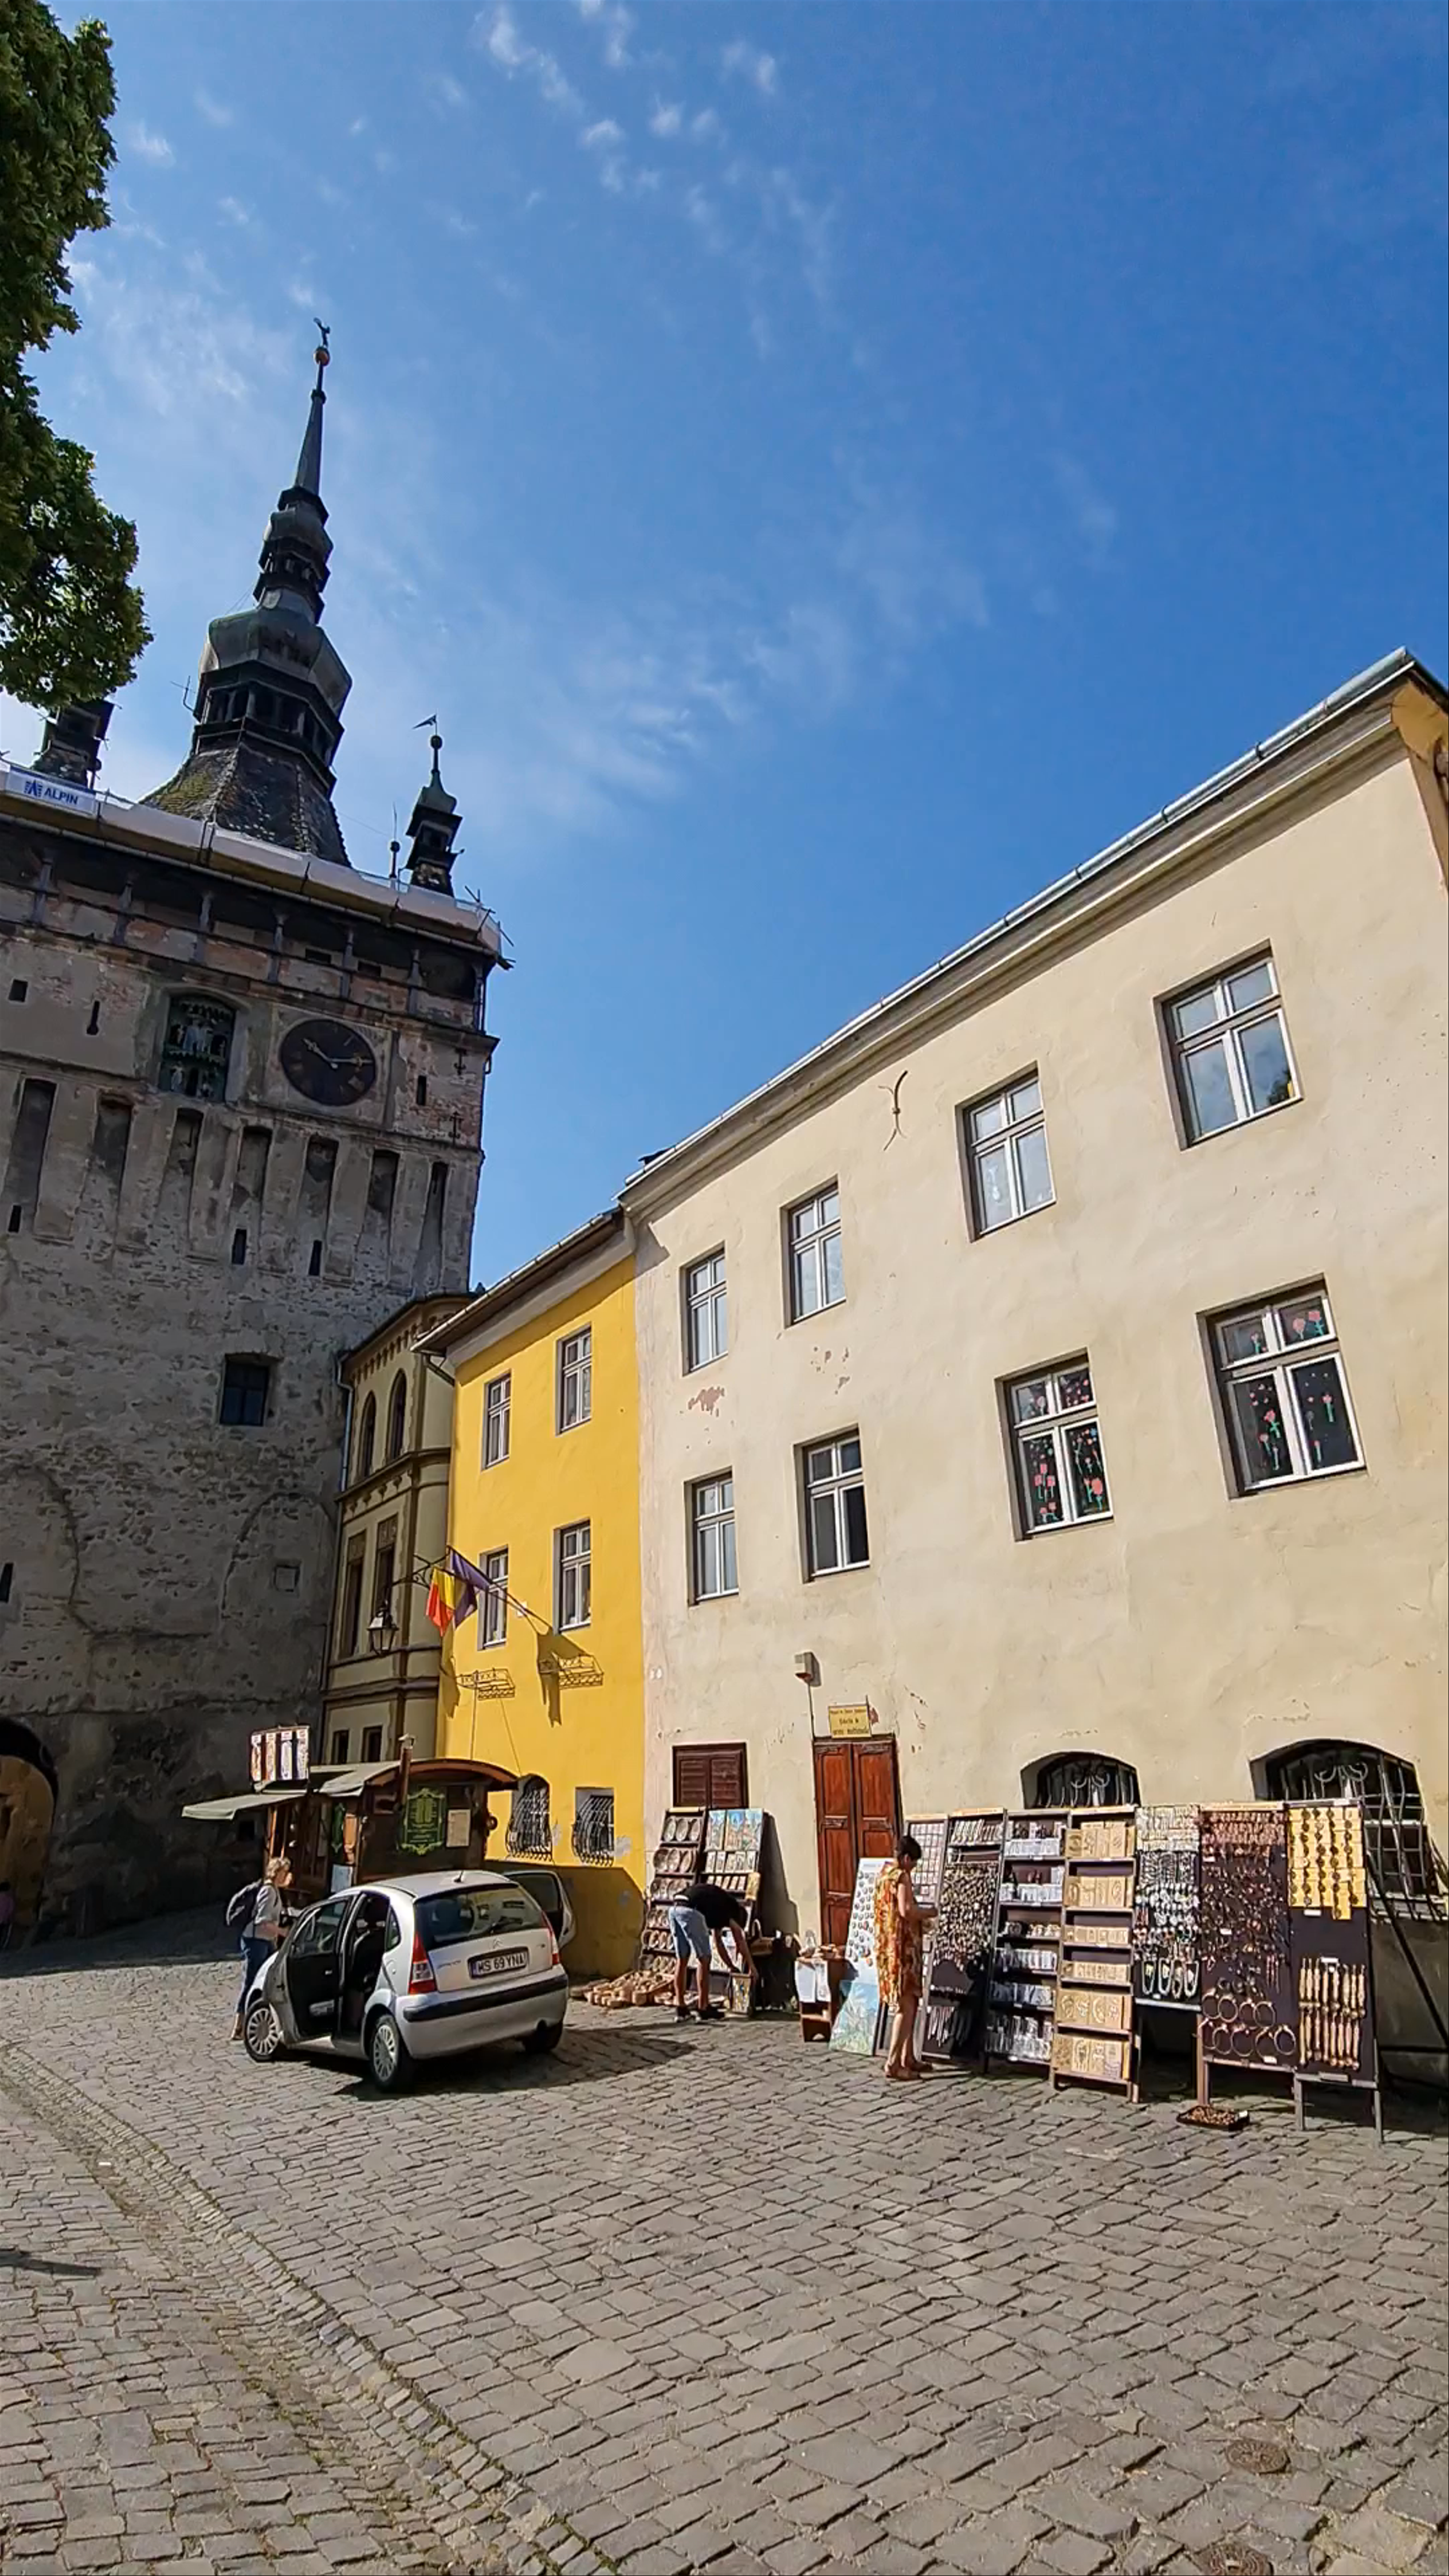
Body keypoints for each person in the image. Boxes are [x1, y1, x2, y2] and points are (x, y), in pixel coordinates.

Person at [875, 1835, 933, 2080]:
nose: (914, 1868)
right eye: (914, 1863)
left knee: (911, 2002)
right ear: (906, 1858)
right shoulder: (900, 1876)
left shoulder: (883, 1874)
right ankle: (893, 2063)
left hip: (888, 1947)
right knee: (906, 2006)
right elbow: (906, 1910)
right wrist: (929, 1912)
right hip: (902, 1951)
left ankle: (907, 2057)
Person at [669, 1875, 754, 2022]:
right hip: (692, 1911)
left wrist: (731, 1967)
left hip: (675, 1908)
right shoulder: (731, 1909)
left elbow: (718, 1942)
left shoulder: (717, 1909)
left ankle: (681, 2008)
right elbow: (739, 1939)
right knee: (704, 1960)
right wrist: (752, 1967)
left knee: (682, 1959)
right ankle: (704, 2008)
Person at [231, 1855, 292, 2039]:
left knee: (271, 1980)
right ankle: (239, 2027)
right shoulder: (269, 1892)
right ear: (277, 1873)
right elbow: (263, 1922)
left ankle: (261, 2020)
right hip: (257, 1941)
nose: (287, 1876)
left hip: (265, 1941)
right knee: (252, 1981)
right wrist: (283, 1933)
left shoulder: (274, 1890)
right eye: (284, 1873)